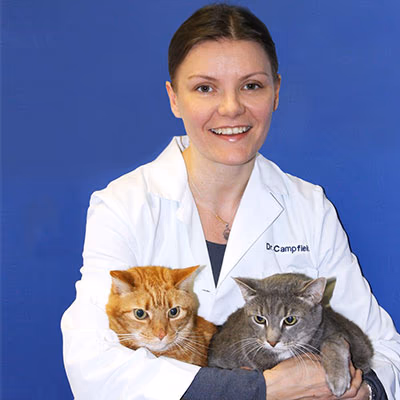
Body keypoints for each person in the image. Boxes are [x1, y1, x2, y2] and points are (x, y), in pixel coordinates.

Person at [61, 4, 400, 399]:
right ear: (174, 98)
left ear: (276, 92)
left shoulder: (309, 207)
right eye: (205, 88)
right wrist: (261, 389)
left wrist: (365, 391)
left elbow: (386, 351)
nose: (231, 107)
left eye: (251, 86)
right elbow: (93, 366)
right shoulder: (124, 205)